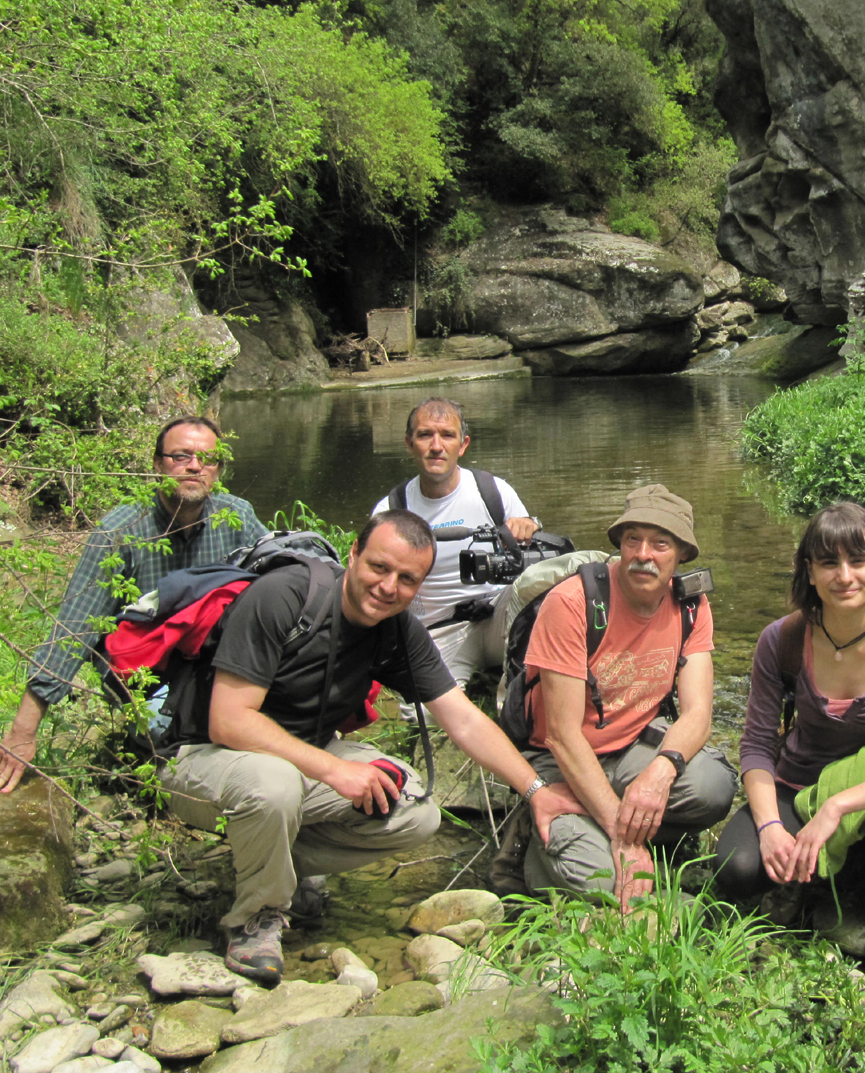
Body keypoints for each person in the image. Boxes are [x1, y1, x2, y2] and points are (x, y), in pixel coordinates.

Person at [157, 510, 583, 983]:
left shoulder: (397, 630)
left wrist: (537, 790)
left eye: (406, 579)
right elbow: (228, 721)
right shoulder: (285, 597)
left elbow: (462, 718)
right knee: (273, 784)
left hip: (296, 757)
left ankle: (274, 866)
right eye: (379, 567)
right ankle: (256, 920)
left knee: (415, 810)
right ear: (354, 554)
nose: (388, 587)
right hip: (201, 760)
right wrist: (335, 771)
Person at [714, 504, 865, 944]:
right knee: (737, 871)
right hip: (799, 783)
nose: (844, 576)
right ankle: (805, 875)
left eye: (858, 560)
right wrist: (769, 827)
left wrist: (838, 806)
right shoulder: (781, 640)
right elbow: (756, 747)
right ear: (808, 572)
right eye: (828, 562)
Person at [1, 416, 267, 793]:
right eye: (181, 456)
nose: (194, 466)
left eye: (208, 459)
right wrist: (22, 731)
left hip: (215, 662)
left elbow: (280, 584)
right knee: (170, 737)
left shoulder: (237, 516)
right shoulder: (121, 529)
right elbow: (74, 629)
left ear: (219, 470)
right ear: (157, 464)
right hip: (143, 673)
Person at [520, 485, 737, 908]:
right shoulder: (572, 603)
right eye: (632, 539)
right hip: (561, 760)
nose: (643, 554)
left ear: (681, 556)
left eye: (660, 543)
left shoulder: (691, 604)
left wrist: (659, 774)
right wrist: (623, 833)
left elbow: (697, 715)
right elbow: (562, 736)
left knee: (713, 787)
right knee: (605, 885)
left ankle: (616, 825)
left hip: (634, 745)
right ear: (619, 544)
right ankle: (544, 839)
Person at [370, 396, 538, 688]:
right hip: (437, 631)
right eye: (425, 435)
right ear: (409, 444)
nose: (437, 446)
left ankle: (523, 686)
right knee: (426, 719)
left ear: (463, 445)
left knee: (545, 583)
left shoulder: (494, 491)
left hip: (499, 614)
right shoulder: (391, 510)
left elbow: (532, 558)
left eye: (447, 435)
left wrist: (527, 528)